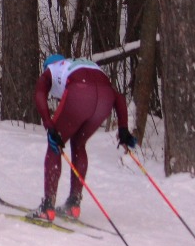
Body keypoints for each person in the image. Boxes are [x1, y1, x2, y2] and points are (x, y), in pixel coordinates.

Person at [31, 54, 134, 221]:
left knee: (54, 145)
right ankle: (74, 204)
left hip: (80, 92)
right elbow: (118, 97)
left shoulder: (51, 69)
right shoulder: (83, 65)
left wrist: (49, 125)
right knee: (79, 144)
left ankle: (47, 207)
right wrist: (123, 128)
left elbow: (39, 93)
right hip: (105, 99)